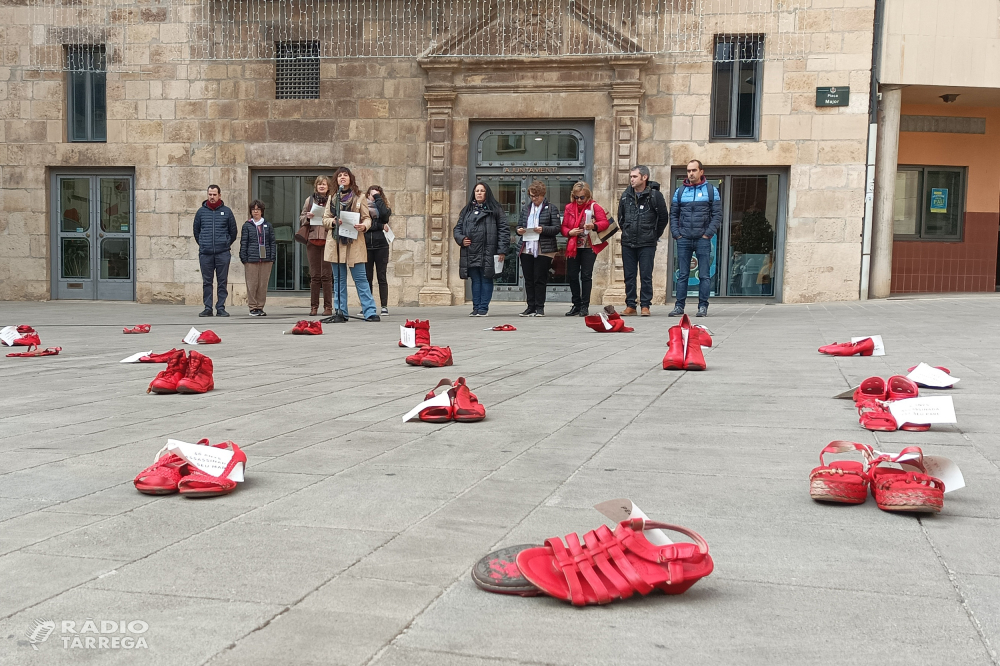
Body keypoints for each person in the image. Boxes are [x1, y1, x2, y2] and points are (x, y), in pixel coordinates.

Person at [323, 167, 379, 322]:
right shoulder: (333, 197)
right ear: (336, 180)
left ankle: (369, 311)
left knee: (361, 278)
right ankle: (341, 311)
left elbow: (367, 218)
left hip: (354, 242)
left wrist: (364, 226)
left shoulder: (360, 197)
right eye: (339, 175)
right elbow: (325, 219)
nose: (342, 177)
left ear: (350, 178)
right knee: (339, 279)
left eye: (345, 175)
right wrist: (333, 221)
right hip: (337, 243)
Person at [669, 159, 722, 318]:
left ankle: (703, 307)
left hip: (702, 239)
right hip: (684, 238)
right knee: (682, 274)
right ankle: (679, 306)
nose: (690, 173)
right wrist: (677, 234)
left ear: (701, 172)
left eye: (693, 170)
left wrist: (708, 234)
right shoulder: (679, 192)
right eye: (688, 171)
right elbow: (673, 214)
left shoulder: (712, 191)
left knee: (704, 274)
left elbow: (717, 215)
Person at [618, 165, 669, 317]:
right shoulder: (626, 195)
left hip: (647, 242)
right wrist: (627, 230)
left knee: (646, 274)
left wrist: (654, 234)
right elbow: (621, 216)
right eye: (631, 177)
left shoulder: (655, 196)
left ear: (644, 177)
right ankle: (630, 305)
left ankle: (645, 305)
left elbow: (663, 218)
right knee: (629, 275)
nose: (631, 179)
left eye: (634, 176)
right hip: (628, 241)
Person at [454, 182, 509, 317]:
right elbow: (457, 228)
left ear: (487, 193)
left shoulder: (496, 209)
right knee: (475, 279)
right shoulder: (467, 210)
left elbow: (504, 230)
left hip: (488, 250)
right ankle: (476, 307)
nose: (479, 193)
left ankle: (483, 308)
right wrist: (461, 239)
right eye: (477, 190)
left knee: (486, 278)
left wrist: (502, 250)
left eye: (482, 190)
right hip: (471, 250)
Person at [562, 181, 611, 317]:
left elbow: (605, 223)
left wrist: (594, 226)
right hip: (574, 245)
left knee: (586, 275)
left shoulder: (595, 207)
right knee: (572, 275)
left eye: (582, 197)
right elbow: (564, 226)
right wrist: (569, 232)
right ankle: (576, 304)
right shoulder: (569, 208)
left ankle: (585, 306)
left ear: (588, 196)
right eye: (576, 197)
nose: (578, 200)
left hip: (589, 245)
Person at [515, 180, 561, 317]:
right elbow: (518, 226)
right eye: (531, 196)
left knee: (539, 278)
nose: (534, 199)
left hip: (544, 248)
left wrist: (543, 229)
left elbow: (557, 228)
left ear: (542, 195)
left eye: (536, 196)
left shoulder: (551, 208)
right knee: (528, 278)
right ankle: (530, 307)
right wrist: (520, 231)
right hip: (526, 247)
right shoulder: (526, 209)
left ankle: (540, 307)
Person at [193, 184, 237, 317]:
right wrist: (203, 244)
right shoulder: (201, 212)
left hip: (222, 253)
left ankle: (221, 307)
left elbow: (233, 232)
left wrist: (225, 243)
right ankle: (207, 307)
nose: (212, 197)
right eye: (210, 194)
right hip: (205, 253)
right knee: (207, 282)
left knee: (222, 281)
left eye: (214, 194)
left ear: (219, 195)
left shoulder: (227, 212)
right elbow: (196, 231)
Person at [299, 176, 334, 316]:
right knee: (314, 276)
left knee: (326, 276)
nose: (321, 186)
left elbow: (337, 218)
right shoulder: (309, 200)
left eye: (324, 184)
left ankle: (328, 307)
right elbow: (301, 218)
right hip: (312, 240)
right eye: (319, 184)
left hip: (328, 240)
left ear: (328, 186)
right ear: (316, 186)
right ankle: (314, 307)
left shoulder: (333, 200)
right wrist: (307, 217)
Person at [239, 199, 276, 317]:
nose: (256, 212)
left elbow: (272, 242)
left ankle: (260, 307)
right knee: (252, 283)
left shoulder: (267, 225)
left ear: (262, 211)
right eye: (254, 209)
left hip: (266, 259)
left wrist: (272, 257)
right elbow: (243, 242)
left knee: (262, 284)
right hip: (251, 258)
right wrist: (243, 257)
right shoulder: (247, 225)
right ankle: (253, 307)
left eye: (258, 209)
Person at [363, 185, 393, 316]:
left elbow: (385, 217)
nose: (373, 197)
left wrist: (377, 199)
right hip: (366, 245)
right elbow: (365, 226)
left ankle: (384, 306)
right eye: (371, 194)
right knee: (367, 277)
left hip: (381, 245)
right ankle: (368, 306)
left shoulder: (384, 207)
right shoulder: (362, 208)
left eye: (376, 195)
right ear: (367, 195)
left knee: (381, 276)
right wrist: (380, 226)